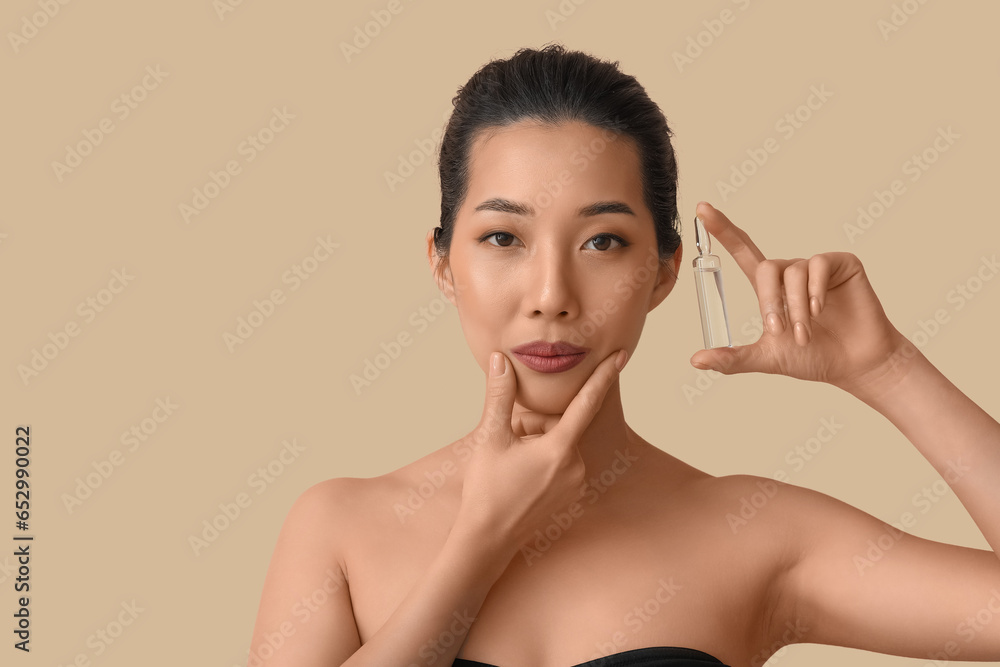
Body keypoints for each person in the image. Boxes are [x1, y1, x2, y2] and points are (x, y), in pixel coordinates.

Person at [247, 43, 1000, 667]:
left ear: (665, 270)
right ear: (442, 262)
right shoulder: (339, 527)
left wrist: (887, 369)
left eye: (602, 241)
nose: (551, 294)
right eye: (503, 238)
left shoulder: (753, 528)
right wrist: (480, 542)